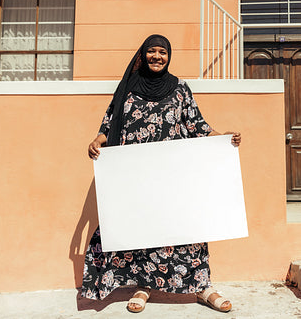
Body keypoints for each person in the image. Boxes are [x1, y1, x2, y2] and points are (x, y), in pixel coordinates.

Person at [82, 34, 241, 313]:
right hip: (136, 175)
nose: (157, 57)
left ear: (169, 56)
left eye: (162, 52)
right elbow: (110, 121)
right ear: (143, 55)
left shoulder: (180, 88)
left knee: (186, 229)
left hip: (173, 175)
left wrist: (221, 138)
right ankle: (143, 286)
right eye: (152, 52)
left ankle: (203, 288)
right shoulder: (128, 88)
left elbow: (196, 125)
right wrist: (98, 139)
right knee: (142, 230)